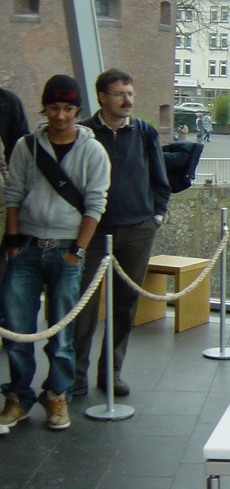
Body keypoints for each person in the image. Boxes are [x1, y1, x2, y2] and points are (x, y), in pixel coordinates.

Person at [0, 75, 110, 431]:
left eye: (67, 108)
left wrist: (77, 250)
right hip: (27, 248)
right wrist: (13, 241)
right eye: (53, 107)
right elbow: (13, 194)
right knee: (16, 329)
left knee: (61, 333)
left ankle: (57, 395)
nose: (60, 115)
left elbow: (96, 204)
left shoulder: (93, 152)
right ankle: (18, 397)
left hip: (66, 250)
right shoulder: (25, 147)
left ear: (78, 111)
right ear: (44, 109)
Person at [72, 69, 171, 397]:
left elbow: (160, 179)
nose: (127, 100)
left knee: (125, 305)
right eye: (119, 94)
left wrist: (155, 216)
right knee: (83, 304)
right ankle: (76, 375)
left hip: (137, 231)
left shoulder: (144, 132)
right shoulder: (83, 133)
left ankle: (111, 373)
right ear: (102, 97)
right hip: (94, 233)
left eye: (130, 94)